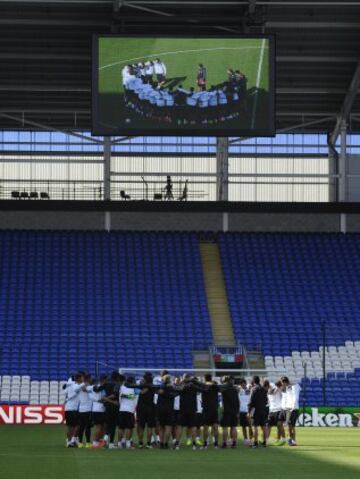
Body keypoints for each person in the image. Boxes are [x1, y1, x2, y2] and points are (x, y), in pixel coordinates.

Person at [93, 371, 124, 449]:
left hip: (107, 407)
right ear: (117, 377)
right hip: (115, 406)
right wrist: (108, 399)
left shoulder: (106, 384)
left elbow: (97, 389)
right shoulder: (117, 385)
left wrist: (93, 386)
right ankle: (110, 443)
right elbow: (115, 395)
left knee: (107, 424)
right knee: (113, 425)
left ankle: (105, 440)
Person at [175, 374, 198, 450]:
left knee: (180, 426)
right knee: (193, 426)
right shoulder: (193, 385)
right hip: (192, 408)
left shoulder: (182, 385)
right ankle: (194, 444)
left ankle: (177, 444)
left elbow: (176, 388)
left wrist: (181, 382)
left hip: (183, 408)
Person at [137, 372, 157, 449]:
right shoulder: (153, 386)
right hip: (150, 408)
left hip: (142, 408)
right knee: (149, 427)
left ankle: (141, 443)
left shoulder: (141, 385)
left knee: (141, 426)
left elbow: (142, 392)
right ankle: (148, 444)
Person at [64, 372, 84, 448]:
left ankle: (68, 442)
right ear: (78, 378)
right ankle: (72, 441)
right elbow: (76, 389)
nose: (83, 379)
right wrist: (84, 383)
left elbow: (64, 391)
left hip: (68, 408)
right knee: (77, 425)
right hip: (72, 408)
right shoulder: (75, 385)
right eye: (82, 378)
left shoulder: (71, 385)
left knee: (70, 426)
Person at [118, 376, 138, 449]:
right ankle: (128, 444)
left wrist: (125, 396)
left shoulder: (122, 387)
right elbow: (135, 398)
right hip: (130, 410)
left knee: (121, 427)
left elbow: (121, 396)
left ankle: (119, 443)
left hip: (122, 409)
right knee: (128, 428)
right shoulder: (135, 389)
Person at [280, 376, 301, 446]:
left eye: (282, 383)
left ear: (285, 382)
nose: (282, 384)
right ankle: (291, 440)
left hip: (293, 409)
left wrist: (292, 407)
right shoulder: (287, 387)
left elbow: (296, 397)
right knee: (289, 425)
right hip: (288, 409)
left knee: (291, 426)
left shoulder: (294, 387)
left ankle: (292, 440)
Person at [248, 376, 268, 448]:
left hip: (255, 410)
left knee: (254, 426)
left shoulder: (254, 389)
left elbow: (251, 401)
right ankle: (265, 442)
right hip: (263, 409)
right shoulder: (263, 389)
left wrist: (249, 411)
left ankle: (255, 443)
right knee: (264, 426)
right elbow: (266, 400)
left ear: (253, 381)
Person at [201, 374, 219, 449]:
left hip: (206, 409)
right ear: (211, 379)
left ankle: (205, 444)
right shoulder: (215, 386)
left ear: (205, 379)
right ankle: (216, 444)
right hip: (214, 408)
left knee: (206, 427)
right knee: (215, 427)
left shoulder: (203, 386)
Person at [220, 376, 239, 449]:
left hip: (227, 410)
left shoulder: (224, 388)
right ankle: (234, 443)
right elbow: (237, 401)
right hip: (234, 410)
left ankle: (224, 443)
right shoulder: (235, 389)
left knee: (225, 427)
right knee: (234, 427)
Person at [89, 374, 107, 448]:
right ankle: (95, 443)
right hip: (98, 409)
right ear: (103, 380)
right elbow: (91, 397)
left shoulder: (104, 387)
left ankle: (100, 442)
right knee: (98, 427)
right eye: (106, 380)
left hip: (102, 409)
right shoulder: (96, 388)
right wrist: (100, 400)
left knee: (102, 427)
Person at [267, 381, 286, 445]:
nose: (269, 388)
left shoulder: (278, 390)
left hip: (279, 410)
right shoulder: (268, 392)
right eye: (269, 387)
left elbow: (279, 389)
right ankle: (266, 440)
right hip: (271, 411)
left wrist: (278, 386)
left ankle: (282, 439)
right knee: (268, 426)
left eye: (270, 387)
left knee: (279, 425)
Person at [77, 373, 93, 448]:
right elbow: (85, 389)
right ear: (88, 379)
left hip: (81, 409)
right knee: (87, 427)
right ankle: (87, 443)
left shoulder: (80, 386)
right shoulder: (87, 386)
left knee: (82, 427)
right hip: (88, 409)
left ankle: (80, 443)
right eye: (91, 378)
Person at [238, 378, 253, 445]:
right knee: (243, 426)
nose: (242, 385)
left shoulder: (249, 390)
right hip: (241, 410)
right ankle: (245, 439)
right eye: (241, 384)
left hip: (248, 410)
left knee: (250, 425)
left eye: (244, 383)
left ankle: (251, 439)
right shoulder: (238, 390)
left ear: (245, 383)